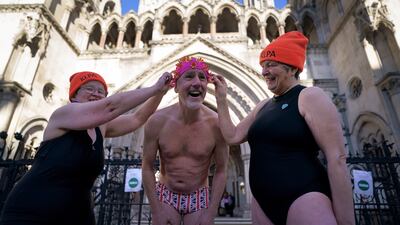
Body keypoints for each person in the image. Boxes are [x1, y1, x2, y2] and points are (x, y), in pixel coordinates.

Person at [213, 31, 355, 225]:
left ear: (291, 68)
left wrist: (346, 221)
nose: (264, 72)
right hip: (263, 203)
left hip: (304, 196)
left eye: (271, 65)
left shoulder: (310, 96)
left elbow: (337, 158)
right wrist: (221, 98)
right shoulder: (263, 106)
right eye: (263, 66)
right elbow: (232, 136)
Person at [0, 71, 172, 225]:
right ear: (74, 95)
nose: (96, 94)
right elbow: (110, 107)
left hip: (76, 213)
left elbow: (137, 118)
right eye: (89, 89)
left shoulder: (102, 127)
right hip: (34, 208)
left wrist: (161, 93)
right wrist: (154, 87)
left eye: (101, 91)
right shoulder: (64, 114)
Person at [142, 56, 229, 225]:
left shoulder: (217, 124)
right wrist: (156, 210)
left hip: (198, 196)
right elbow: (146, 166)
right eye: (189, 76)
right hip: (166, 194)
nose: (197, 82)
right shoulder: (157, 121)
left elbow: (221, 170)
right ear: (175, 87)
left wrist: (211, 213)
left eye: (202, 77)